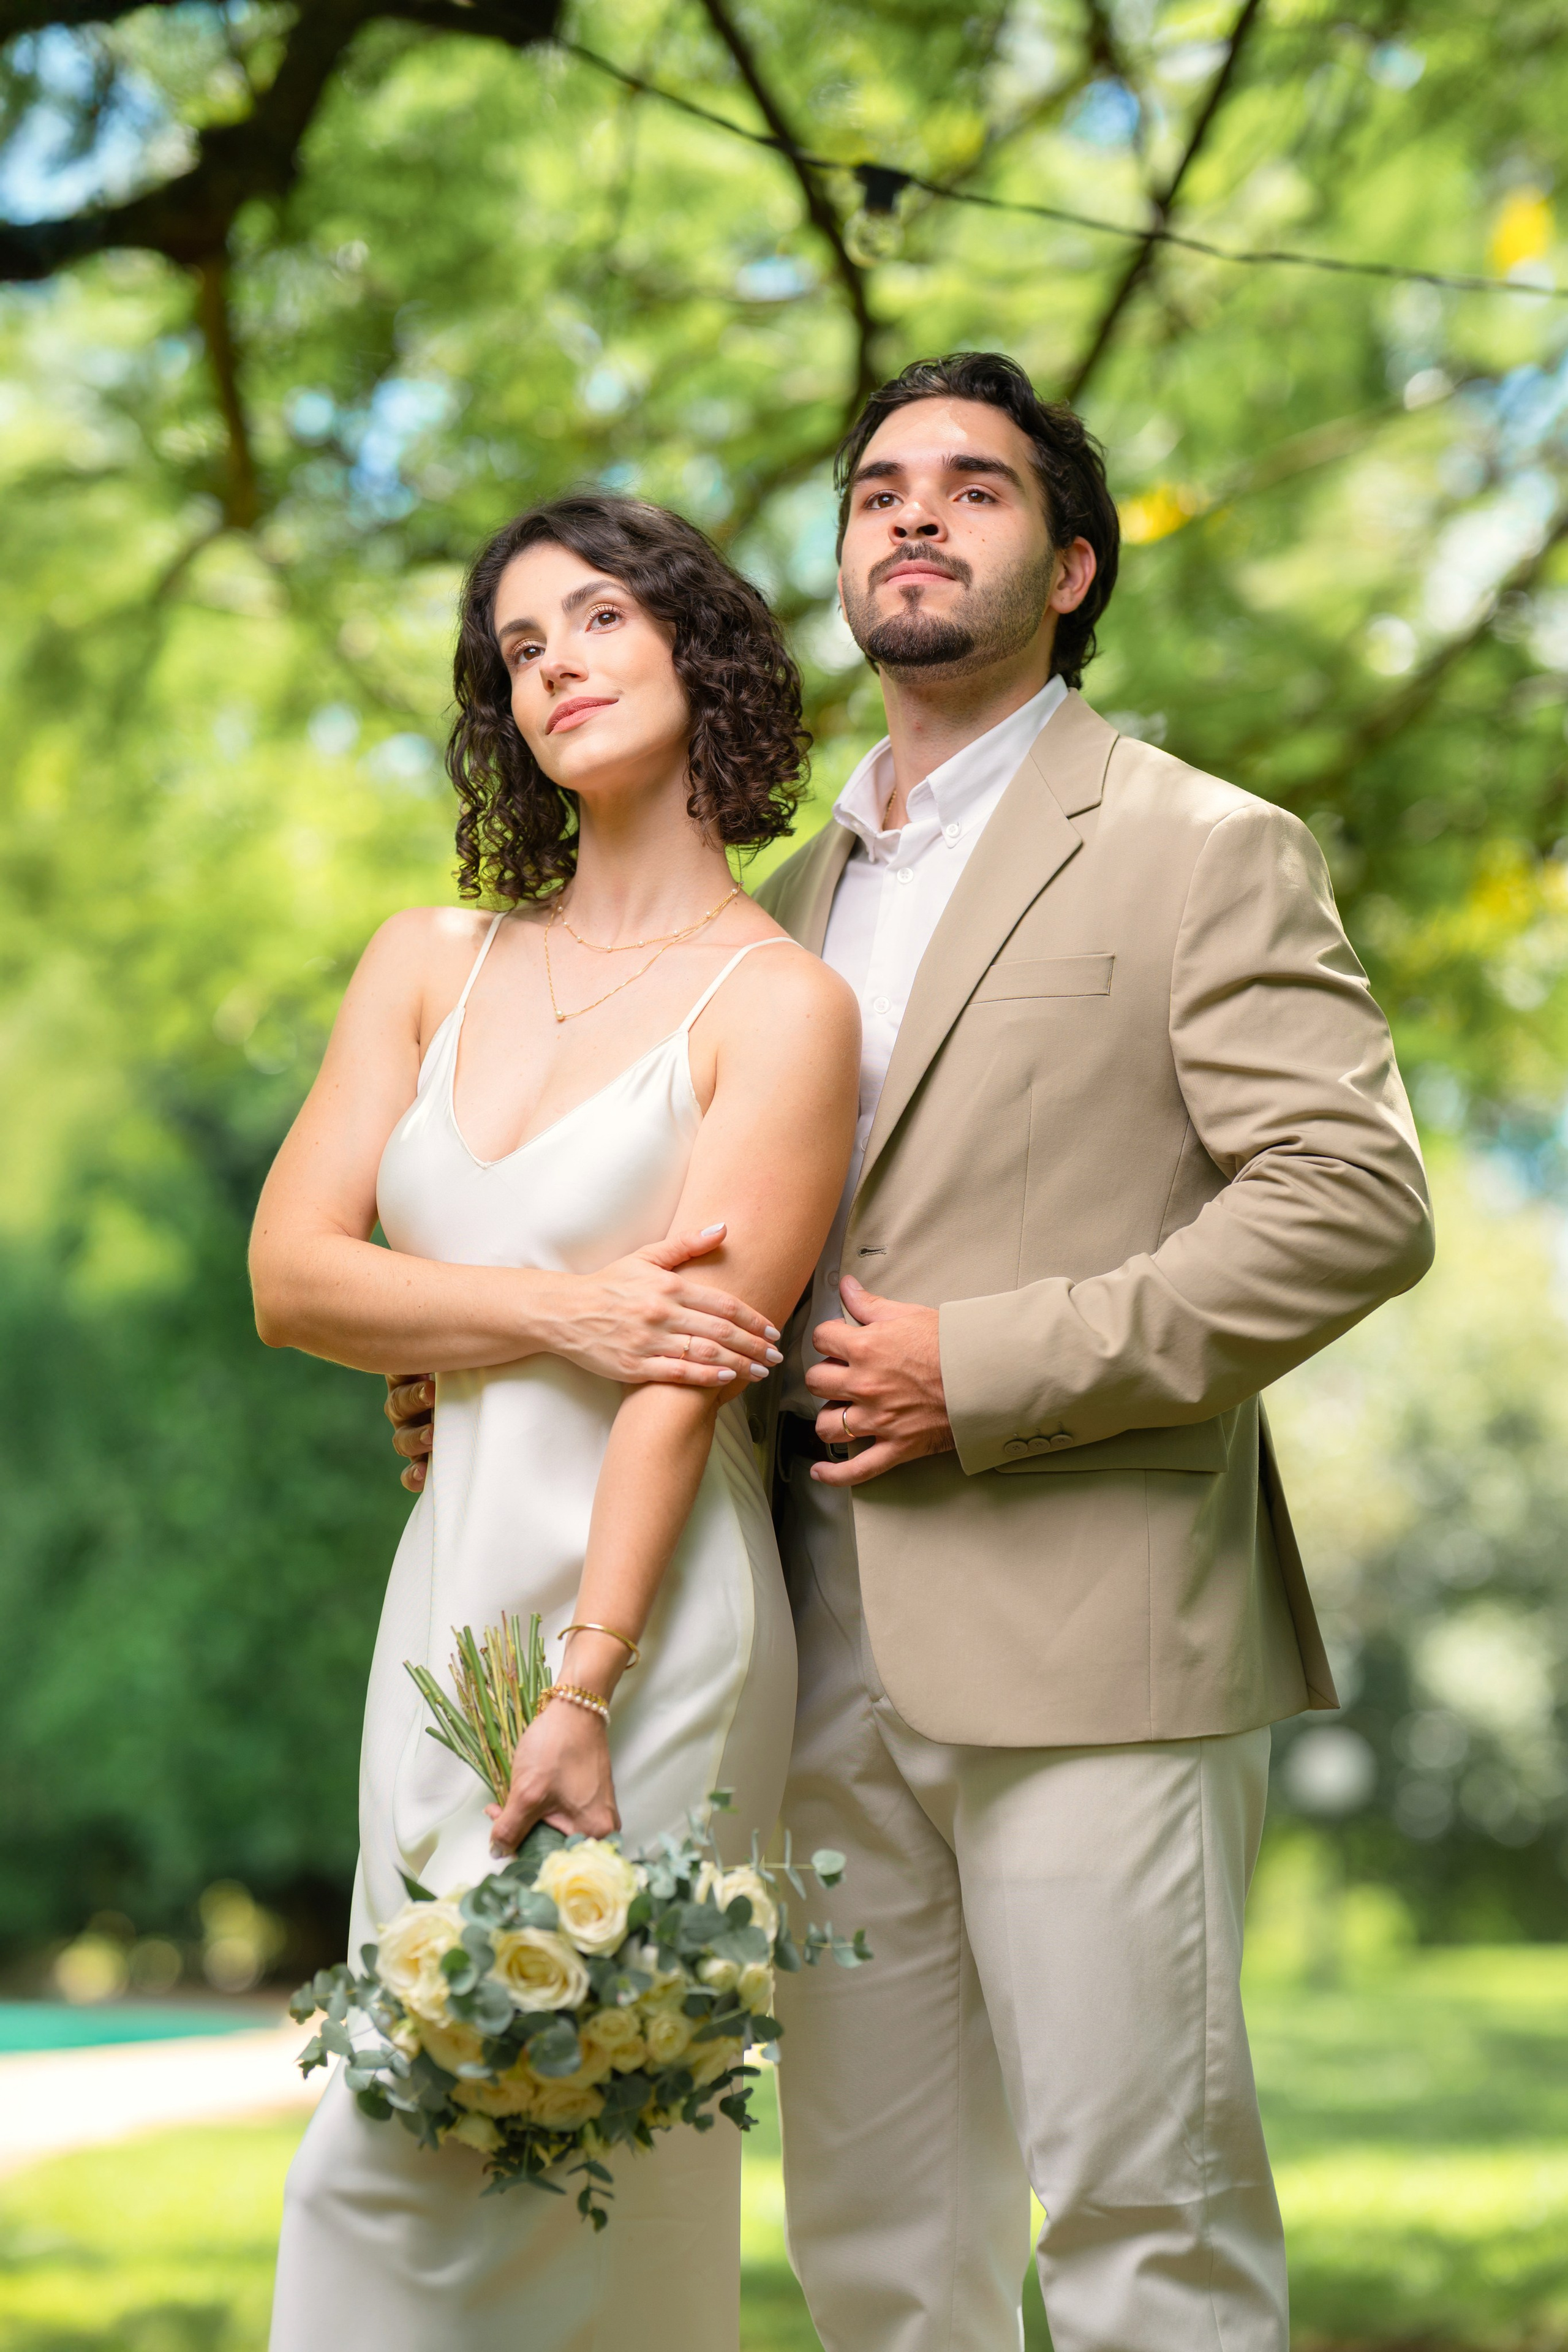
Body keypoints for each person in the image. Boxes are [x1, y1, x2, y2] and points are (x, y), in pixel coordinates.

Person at [385, 351, 1434, 2352]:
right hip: (796, 1641)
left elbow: (1352, 1199)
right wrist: (493, 1364)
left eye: (976, 486)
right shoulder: (774, 901)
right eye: (878, 490)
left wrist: (996, 1366)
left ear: (1072, 568)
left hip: (1096, 1626)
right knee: (876, 2251)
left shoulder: (1201, 844)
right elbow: (679, 1251)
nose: (916, 515)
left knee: (1146, 2222)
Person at [249, 491, 859, 2352]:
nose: (556, 667)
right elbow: (293, 1277)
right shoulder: (427, 960)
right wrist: (559, 1310)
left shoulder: (784, 1007)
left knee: (589, 2137)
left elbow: (689, 1369)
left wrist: (588, 1683)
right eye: (520, 648)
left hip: (649, 1620)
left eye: (598, 617)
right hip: (443, 1606)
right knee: (408, 2098)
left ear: (700, 650)